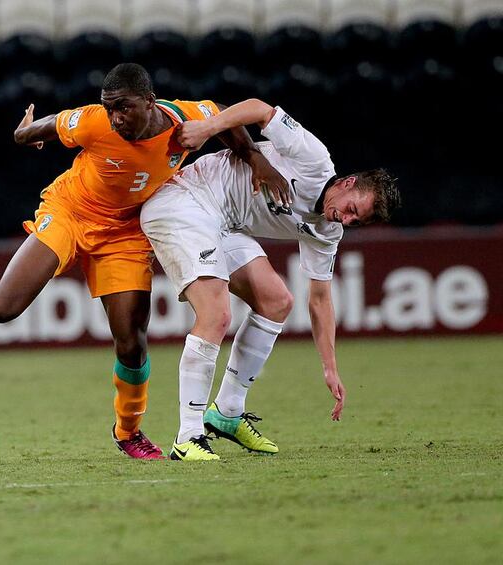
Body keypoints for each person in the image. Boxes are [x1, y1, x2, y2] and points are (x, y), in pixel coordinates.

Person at [0, 64, 287, 459]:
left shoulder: (189, 119)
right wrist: (25, 134)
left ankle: (128, 432)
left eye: (123, 107)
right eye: (110, 107)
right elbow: (43, 128)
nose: (116, 117)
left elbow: (229, 124)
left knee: (132, 342)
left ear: (150, 102)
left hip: (123, 233)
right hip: (70, 212)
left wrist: (257, 159)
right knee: (2, 307)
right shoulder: (92, 122)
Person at [140, 98, 401, 460]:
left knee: (277, 301)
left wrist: (330, 368)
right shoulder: (314, 159)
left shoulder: (326, 231)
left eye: (357, 222)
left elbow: (320, 299)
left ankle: (227, 412)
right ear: (347, 183)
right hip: (186, 200)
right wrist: (207, 128)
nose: (346, 219)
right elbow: (260, 109)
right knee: (216, 315)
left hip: (223, 224)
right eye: (351, 209)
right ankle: (188, 436)